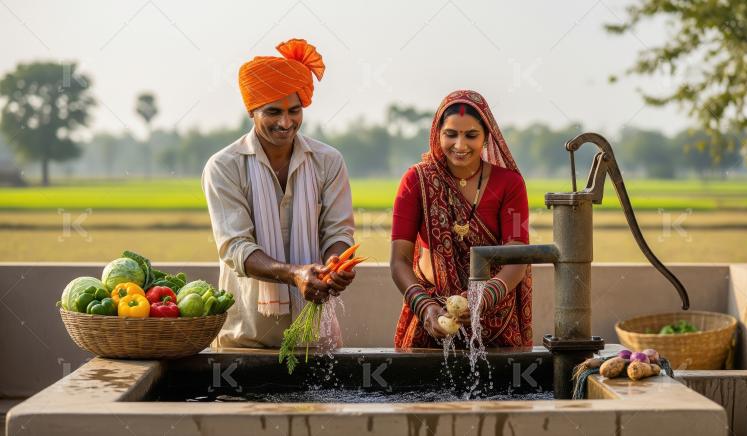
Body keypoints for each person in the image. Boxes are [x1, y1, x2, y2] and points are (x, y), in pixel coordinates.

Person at [202, 38, 356, 348]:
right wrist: (295, 274)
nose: (286, 123)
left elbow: (338, 232)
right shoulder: (224, 167)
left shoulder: (328, 161)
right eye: (273, 112)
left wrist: (333, 267)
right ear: (252, 111)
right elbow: (236, 248)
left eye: (294, 111)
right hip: (247, 334)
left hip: (315, 337)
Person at [391, 89, 532, 348]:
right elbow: (399, 261)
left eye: (471, 135)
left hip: (494, 317)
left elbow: (517, 255)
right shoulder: (416, 181)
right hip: (433, 317)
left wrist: (481, 299)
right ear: (437, 134)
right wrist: (426, 308)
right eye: (451, 134)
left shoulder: (509, 184)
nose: (460, 145)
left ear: (487, 138)